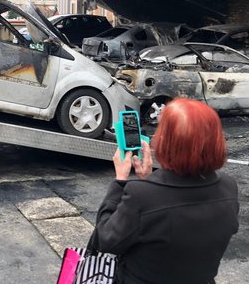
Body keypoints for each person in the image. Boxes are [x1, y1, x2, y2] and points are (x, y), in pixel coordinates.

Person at [93, 98, 239, 284]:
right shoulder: (228, 187)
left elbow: (106, 240)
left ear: (166, 141)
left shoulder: (141, 196)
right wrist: (148, 181)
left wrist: (120, 181)